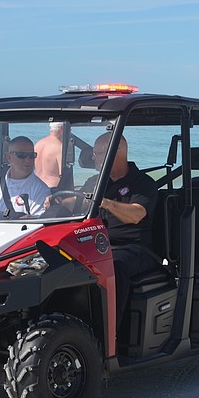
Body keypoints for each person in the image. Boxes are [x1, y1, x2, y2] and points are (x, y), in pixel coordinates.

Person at [82, 133, 159, 332]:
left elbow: (136, 214)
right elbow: (78, 203)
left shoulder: (143, 183)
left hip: (135, 248)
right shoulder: (95, 181)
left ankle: (109, 333)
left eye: (97, 153)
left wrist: (105, 203)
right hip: (97, 245)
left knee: (114, 265)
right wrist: (59, 200)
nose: (93, 158)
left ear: (115, 153)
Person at [0, 136, 50, 216]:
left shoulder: (41, 190)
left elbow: (37, 223)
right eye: (21, 155)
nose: (27, 160)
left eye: (31, 155)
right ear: (9, 157)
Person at [34, 122, 64, 188]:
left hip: (37, 187)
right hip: (53, 189)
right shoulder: (59, 147)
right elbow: (63, 174)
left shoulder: (38, 144)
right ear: (62, 128)